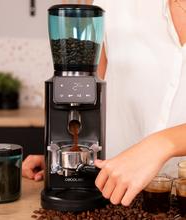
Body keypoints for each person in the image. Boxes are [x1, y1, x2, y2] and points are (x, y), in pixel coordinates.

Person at [22, 0, 186, 206]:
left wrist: (162, 144)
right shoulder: (113, 5)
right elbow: (85, 102)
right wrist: (68, 161)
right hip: (110, 191)